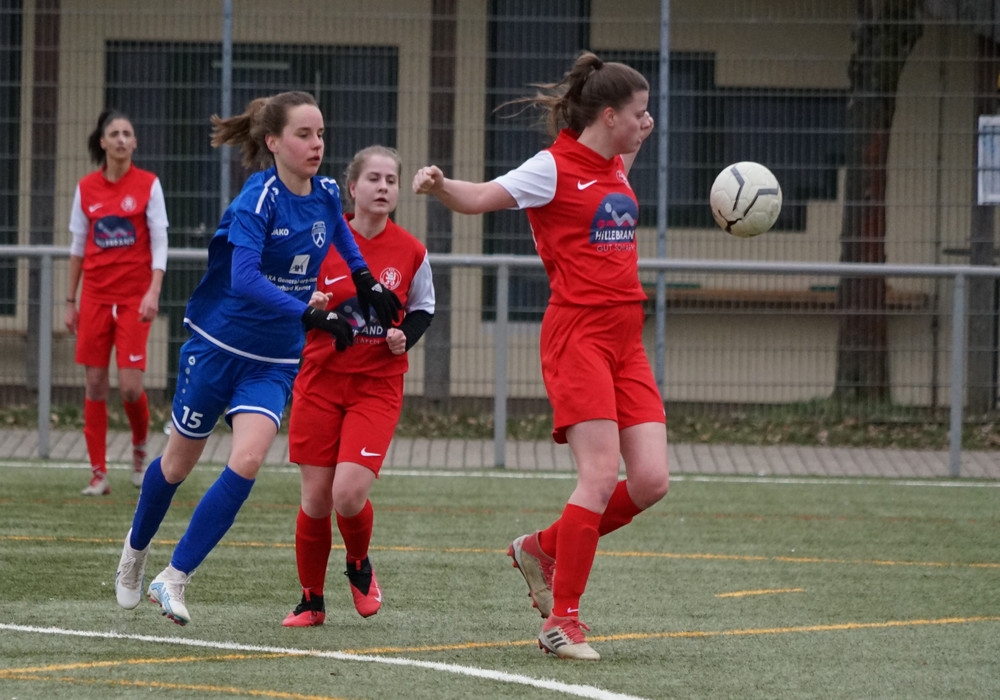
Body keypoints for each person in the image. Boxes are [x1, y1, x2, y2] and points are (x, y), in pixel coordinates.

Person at [412, 51, 668, 661]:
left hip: (626, 338)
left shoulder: (615, 162)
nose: (648, 122)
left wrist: (638, 136)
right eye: (640, 113)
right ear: (609, 116)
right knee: (599, 476)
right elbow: (480, 197)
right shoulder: (551, 168)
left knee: (651, 481)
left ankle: (542, 547)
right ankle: (562, 622)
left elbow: (622, 158)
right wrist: (442, 187)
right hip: (577, 335)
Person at [112, 91, 402, 626]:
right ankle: (134, 551)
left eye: (320, 134)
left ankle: (174, 577)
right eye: (303, 134)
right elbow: (244, 279)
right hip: (217, 347)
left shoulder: (326, 192)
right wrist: (311, 314)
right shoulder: (259, 198)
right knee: (176, 466)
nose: (316, 144)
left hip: (273, 360)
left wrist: (363, 277)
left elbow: (339, 232)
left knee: (246, 461)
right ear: (273, 142)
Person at [282, 145, 435, 627]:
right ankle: (311, 601)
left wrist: (404, 337)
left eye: (391, 180)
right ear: (352, 187)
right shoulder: (320, 240)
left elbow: (423, 308)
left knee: (347, 495)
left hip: (376, 386)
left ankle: (358, 564)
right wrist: (310, 306)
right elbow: (285, 298)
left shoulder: (411, 251)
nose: (383, 187)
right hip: (320, 382)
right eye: (373, 178)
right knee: (315, 499)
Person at [65, 109, 169, 495]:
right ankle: (98, 474)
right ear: (103, 142)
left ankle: (139, 450)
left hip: (133, 299)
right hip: (94, 297)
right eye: (115, 133)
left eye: (128, 133)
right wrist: (70, 300)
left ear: (135, 142)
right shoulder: (86, 188)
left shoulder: (149, 185)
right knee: (94, 383)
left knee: (129, 387)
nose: (122, 139)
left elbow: (160, 241)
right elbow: (77, 248)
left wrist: (153, 291)